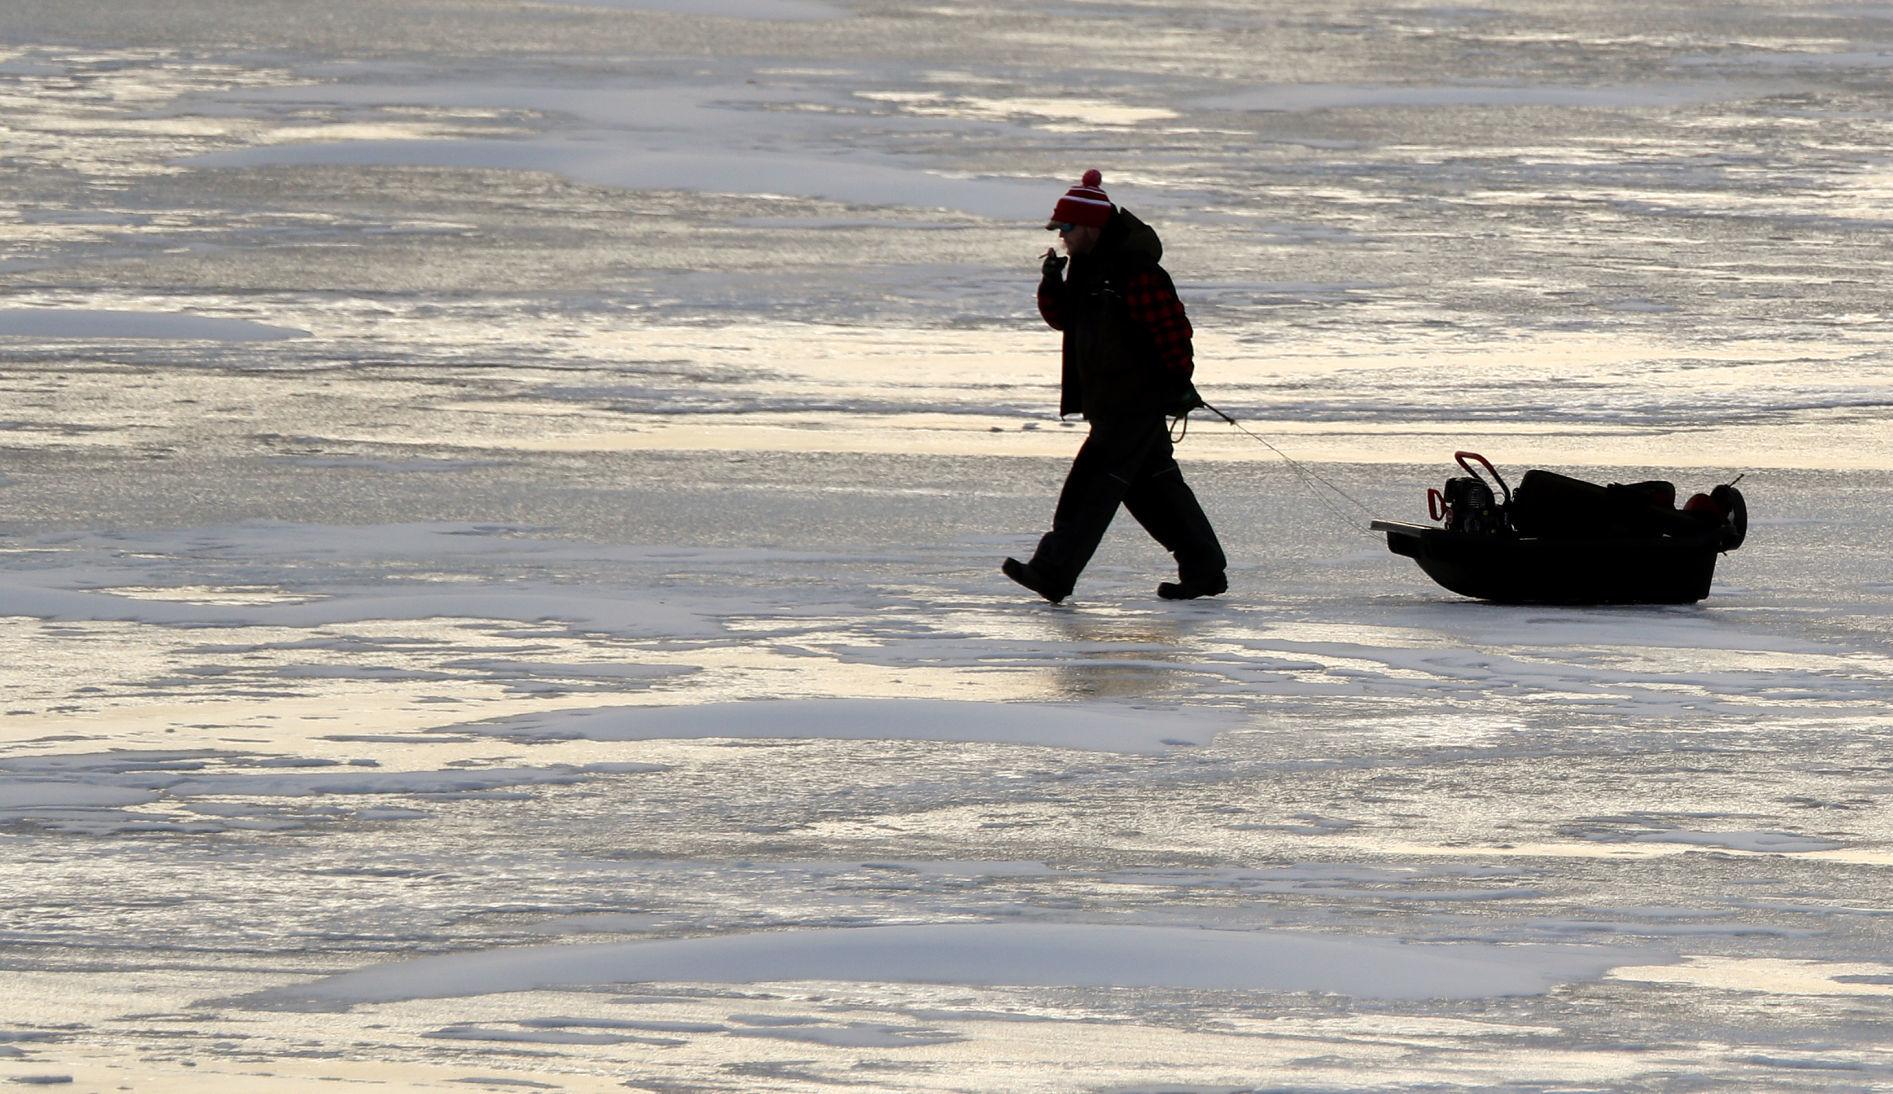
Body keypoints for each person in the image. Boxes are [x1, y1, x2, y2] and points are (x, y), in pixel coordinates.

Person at [1003, 170, 1227, 604]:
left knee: (1090, 487)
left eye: (1067, 227)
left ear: (1090, 226)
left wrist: (1180, 383)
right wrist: (1051, 282)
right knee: (1153, 489)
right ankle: (1204, 569)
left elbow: (1173, 332)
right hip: (1111, 402)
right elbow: (1064, 320)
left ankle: (1053, 571)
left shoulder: (1134, 271)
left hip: (1133, 402)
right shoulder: (1089, 269)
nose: (1062, 237)